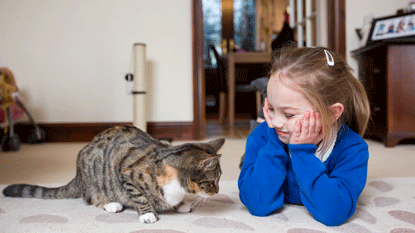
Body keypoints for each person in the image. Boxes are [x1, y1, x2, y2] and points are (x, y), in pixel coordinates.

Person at [238, 46, 371, 227]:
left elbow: (335, 212)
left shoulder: (352, 150)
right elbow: (256, 204)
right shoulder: (262, 137)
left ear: (332, 114)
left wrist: (302, 153)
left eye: (289, 114)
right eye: (271, 108)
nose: (276, 122)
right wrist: (274, 145)